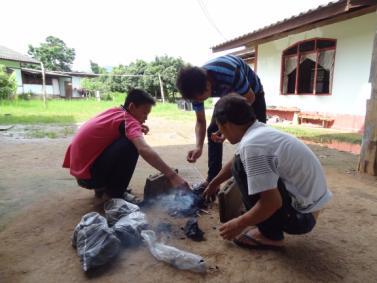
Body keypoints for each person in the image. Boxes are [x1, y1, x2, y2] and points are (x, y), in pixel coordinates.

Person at [203, 94, 332, 249]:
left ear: (226, 125)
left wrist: (239, 223)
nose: (220, 131)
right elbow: (236, 161)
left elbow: (272, 202)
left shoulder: (252, 146)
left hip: (301, 218)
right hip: (312, 205)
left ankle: (270, 235)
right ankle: (264, 220)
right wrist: (213, 183)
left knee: (242, 167)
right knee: (239, 162)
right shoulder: (259, 132)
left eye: (220, 126)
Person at [63, 89, 188, 199]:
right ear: (132, 107)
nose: (146, 118)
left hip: (82, 173)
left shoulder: (115, 111)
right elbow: (144, 149)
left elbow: (115, 129)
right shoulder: (129, 122)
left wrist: (138, 126)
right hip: (90, 178)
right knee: (130, 145)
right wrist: (172, 176)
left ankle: (102, 189)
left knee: (124, 140)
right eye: (144, 113)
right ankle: (115, 193)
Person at [176, 54, 266, 191]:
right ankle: (213, 180)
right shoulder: (195, 88)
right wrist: (198, 147)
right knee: (213, 131)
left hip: (252, 94)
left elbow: (250, 98)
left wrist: (228, 127)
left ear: (207, 85)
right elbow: (200, 121)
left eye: (201, 99)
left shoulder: (229, 72)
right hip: (228, 95)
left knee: (256, 137)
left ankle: (259, 183)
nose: (199, 102)